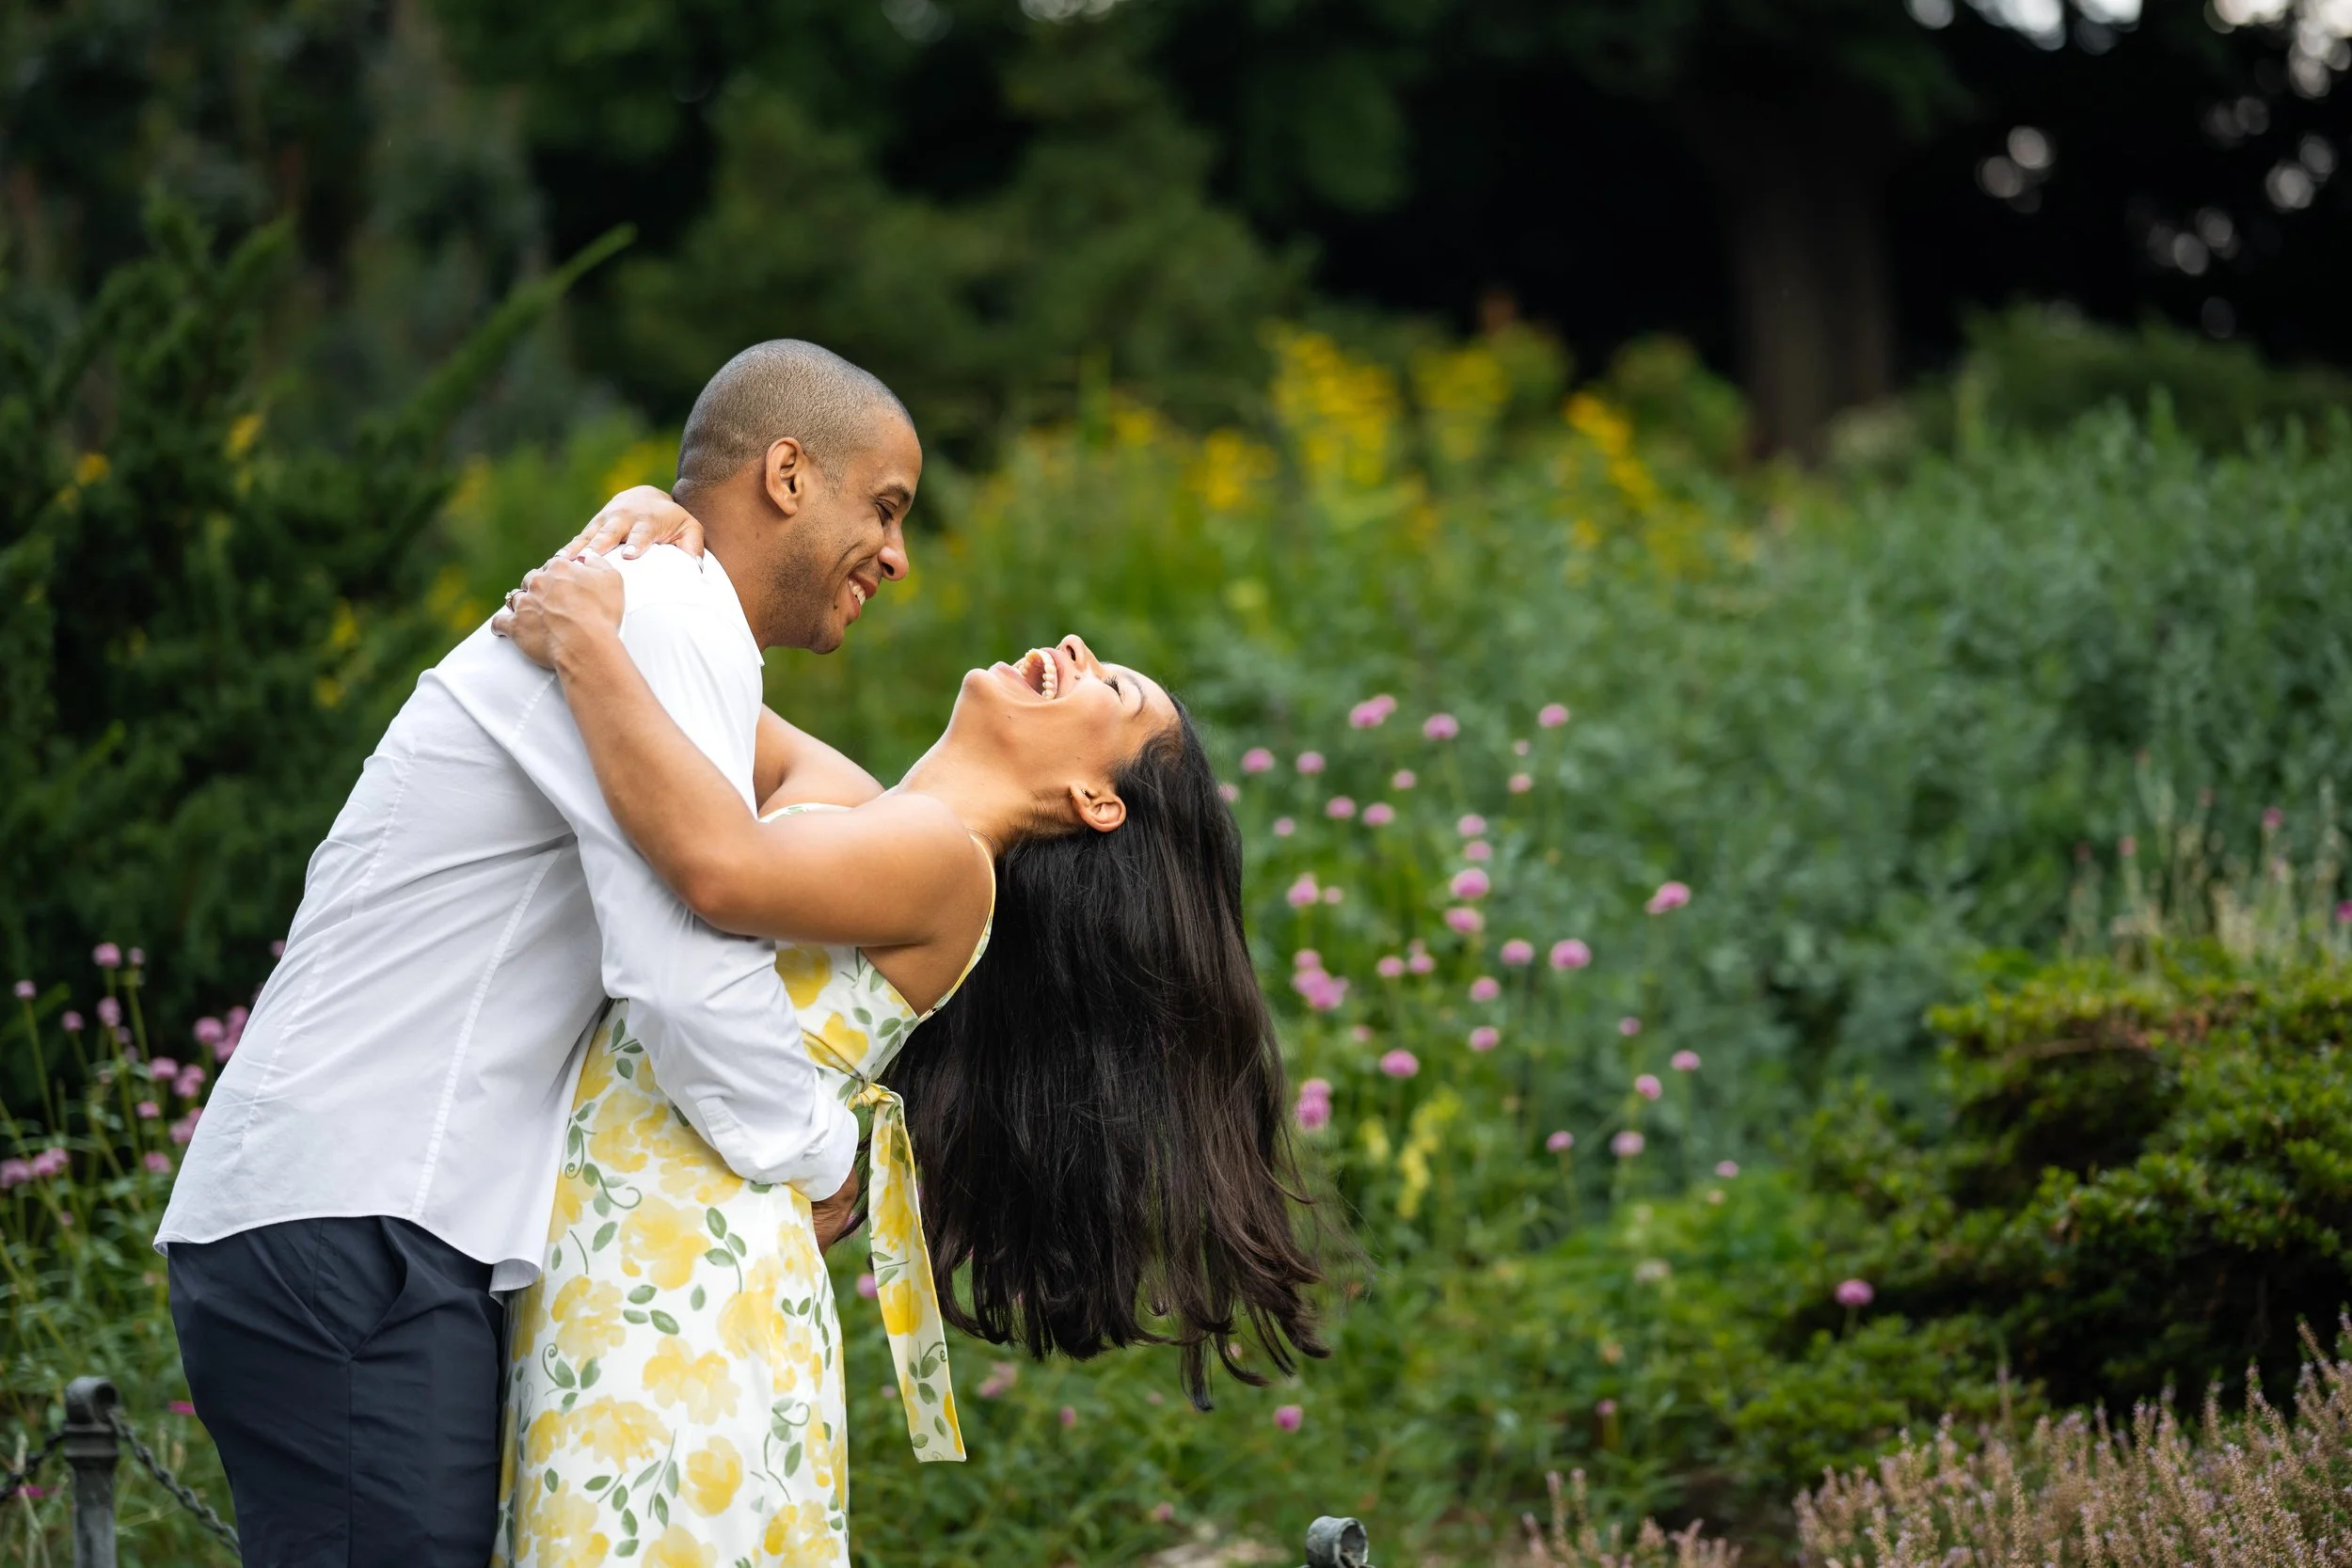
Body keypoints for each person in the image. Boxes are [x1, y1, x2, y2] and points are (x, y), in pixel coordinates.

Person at [155, 340, 922, 1568]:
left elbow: (827, 803)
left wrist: (639, 516)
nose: (896, 552)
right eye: (883, 507)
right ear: (788, 472)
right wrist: (828, 1155)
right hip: (362, 1217)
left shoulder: (640, 605)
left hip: (375, 1218)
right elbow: (687, 961)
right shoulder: (665, 611)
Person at [486, 552, 1323, 1565]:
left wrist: (583, 639)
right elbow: (666, 693)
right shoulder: (853, 804)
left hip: (681, 1284)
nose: (1073, 648)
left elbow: (711, 863)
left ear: (1097, 800)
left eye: (1113, 684)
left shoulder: (942, 860)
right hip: (626, 1251)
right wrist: (645, 531)